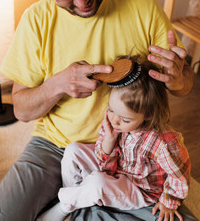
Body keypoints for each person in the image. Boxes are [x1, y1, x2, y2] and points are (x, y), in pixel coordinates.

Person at [0, 0, 195, 220]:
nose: (82, 2)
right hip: (56, 145)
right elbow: (21, 110)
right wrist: (56, 85)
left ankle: (83, 205)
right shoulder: (36, 20)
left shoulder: (144, 8)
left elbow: (183, 87)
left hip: (131, 152)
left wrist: (178, 80)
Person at [37, 59, 191, 221]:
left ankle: (65, 205)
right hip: (116, 168)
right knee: (73, 150)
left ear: (148, 115)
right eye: (111, 110)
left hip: (139, 188)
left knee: (98, 182)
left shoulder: (162, 142)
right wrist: (109, 140)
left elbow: (180, 176)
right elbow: (103, 158)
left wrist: (169, 202)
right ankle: (76, 198)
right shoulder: (114, 119)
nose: (115, 121)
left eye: (125, 120)